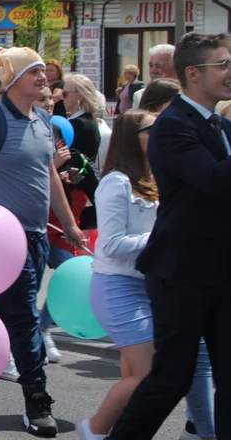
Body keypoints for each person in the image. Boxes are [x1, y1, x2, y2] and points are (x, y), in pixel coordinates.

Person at [105, 32, 230, 440]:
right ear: (193, 74)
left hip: (218, 269)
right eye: (222, 65)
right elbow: (215, 180)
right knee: (172, 377)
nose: (230, 73)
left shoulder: (218, 124)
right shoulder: (173, 126)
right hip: (182, 272)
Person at [0, 46, 85, 437]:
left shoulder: (45, 120)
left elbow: (49, 177)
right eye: (33, 72)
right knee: (24, 318)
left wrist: (70, 224)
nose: (43, 77)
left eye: (42, 71)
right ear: (13, 78)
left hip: (35, 237)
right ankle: (36, 399)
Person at [78, 110, 215, 440]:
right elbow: (110, 245)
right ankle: (95, 430)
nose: (160, 134)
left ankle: (200, 431)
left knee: (166, 369)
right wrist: (164, 237)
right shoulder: (116, 183)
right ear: (130, 138)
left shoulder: (158, 177)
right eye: (150, 130)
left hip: (155, 286)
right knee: (153, 372)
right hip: (118, 287)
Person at [39, 72, 103, 363]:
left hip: (67, 231)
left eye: (61, 139)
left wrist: (77, 177)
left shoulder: (77, 159)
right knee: (29, 287)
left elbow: (97, 190)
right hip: (38, 229)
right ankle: (27, 336)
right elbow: (31, 187)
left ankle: (43, 329)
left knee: (69, 276)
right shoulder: (38, 159)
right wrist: (52, 167)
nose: (57, 143)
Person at [132, 43, 177, 109]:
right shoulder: (139, 96)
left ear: (175, 68)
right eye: (151, 66)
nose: (153, 71)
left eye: (159, 66)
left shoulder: (185, 96)